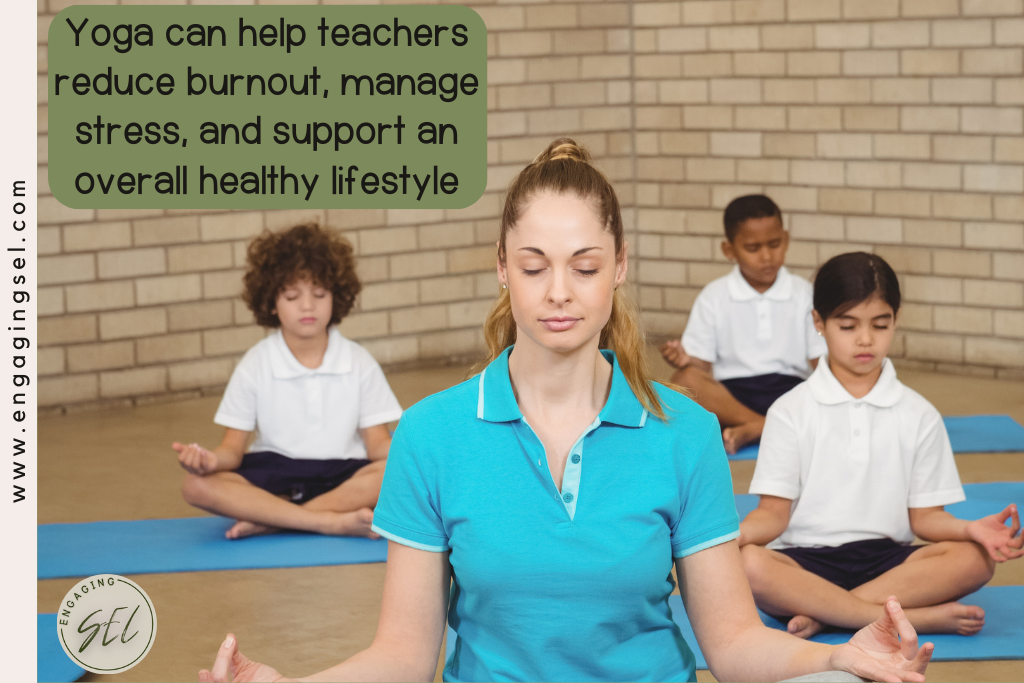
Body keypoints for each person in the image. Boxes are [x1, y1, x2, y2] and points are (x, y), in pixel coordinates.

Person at [198, 141, 933, 683]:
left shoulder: (686, 432)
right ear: (501, 266)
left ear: (618, 265)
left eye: (584, 266)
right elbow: (404, 653)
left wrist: (842, 651)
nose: (558, 292)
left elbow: (735, 644)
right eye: (533, 265)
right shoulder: (432, 434)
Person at [739, 252, 1024, 639]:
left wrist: (972, 529)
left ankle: (828, 614)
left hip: (890, 561)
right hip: (804, 561)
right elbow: (773, 515)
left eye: (880, 324)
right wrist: (729, 537)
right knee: (749, 564)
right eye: (847, 325)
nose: (865, 339)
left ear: (896, 319)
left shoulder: (920, 414)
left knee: (974, 559)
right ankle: (911, 617)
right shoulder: (789, 410)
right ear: (818, 323)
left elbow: (925, 519)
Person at [174, 223, 403, 540]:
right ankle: (327, 521)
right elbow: (232, 450)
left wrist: (416, 455)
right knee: (196, 485)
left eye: (319, 294)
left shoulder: (359, 361)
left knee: (393, 474)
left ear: (337, 298)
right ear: (271, 302)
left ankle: (272, 520)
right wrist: (209, 460)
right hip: (274, 472)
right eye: (293, 296)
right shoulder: (255, 363)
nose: (307, 306)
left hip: (343, 473)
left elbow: (377, 444)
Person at [660, 195, 824, 454]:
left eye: (774, 244)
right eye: (753, 248)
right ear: (729, 250)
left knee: (833, 387)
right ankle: (763, 425)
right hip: (733, 398)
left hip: (791, 394)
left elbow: (820, 363)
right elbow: (699, 370)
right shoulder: (714, 296)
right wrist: (685, 361)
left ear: (786, 239)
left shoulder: (805, 293)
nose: (767, 256)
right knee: (684, 382)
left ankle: (755, 429)